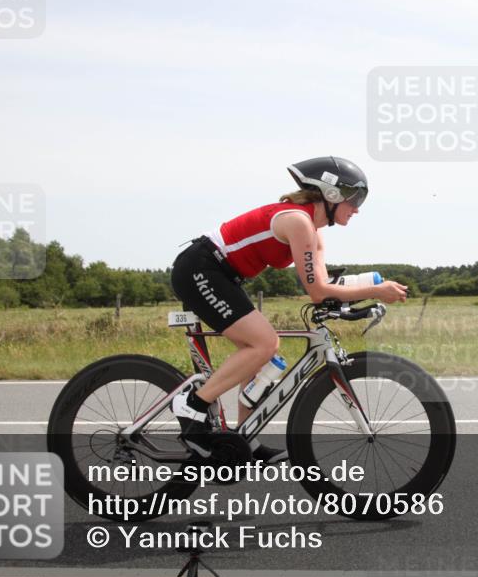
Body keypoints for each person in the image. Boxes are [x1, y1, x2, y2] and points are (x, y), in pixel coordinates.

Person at [169, 157, 409, 463]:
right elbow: (318, 291)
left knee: (258, 351)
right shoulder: (298, 222)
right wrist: (376, 290)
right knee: (265, 342)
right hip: (200, 268)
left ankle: (245, 439)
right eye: (355, 199)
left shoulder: (314, 233)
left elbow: (322, 286)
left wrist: (359, 300)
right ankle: (192, 405)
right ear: (332, 194)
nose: (358, 208)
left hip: (222, 274)